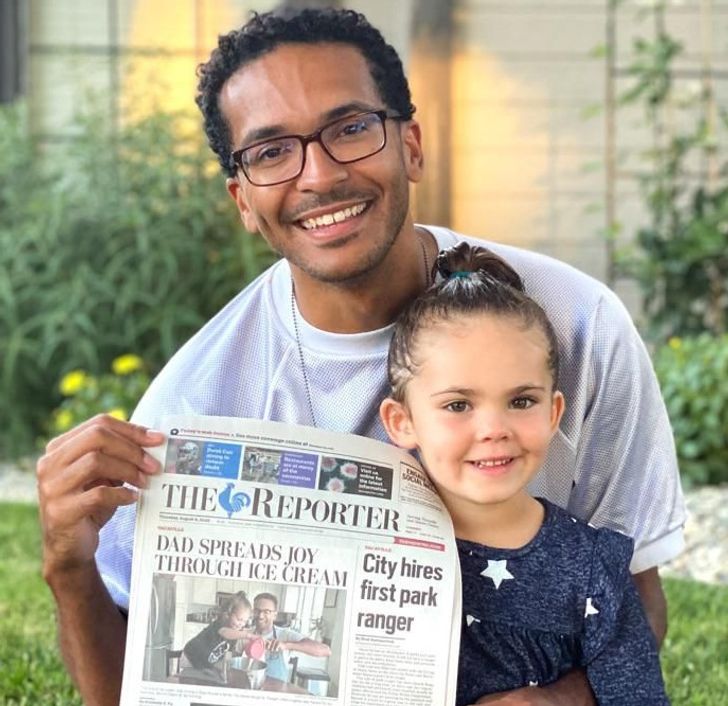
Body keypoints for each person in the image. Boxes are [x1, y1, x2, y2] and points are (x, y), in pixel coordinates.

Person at [36, 7, 684, 706]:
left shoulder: (577, 324)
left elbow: (637, 605)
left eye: (350, 129)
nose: (318, 175)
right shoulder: (194, 405)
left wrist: (555, 701)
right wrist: (67, 566)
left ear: (410, 145)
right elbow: (125, 691)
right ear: (243, 201)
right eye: (271, 151)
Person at [379, 242, 670, 706]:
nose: (494, 429)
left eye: (521, 401)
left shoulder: (594, 570)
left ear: (554, 412)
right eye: (458, 405)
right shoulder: (372, 556)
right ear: (402, 421)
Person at [252, 592, 331, 682]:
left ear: (275, 615)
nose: (260, 616)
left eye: (267, 612)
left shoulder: (285, 635)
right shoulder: (245, 634)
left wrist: (286, 646)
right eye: (257, 610)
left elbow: (325, 650)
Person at [183, 590, 255, 672]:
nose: (241, 624)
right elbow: (225, 633)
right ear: (227, 614)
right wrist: (248, 635)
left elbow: (227, 653)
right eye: (239, 619)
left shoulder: (235, 633)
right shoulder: (219, 625)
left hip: (203, 664)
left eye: (244, 621)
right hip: (190, 657)